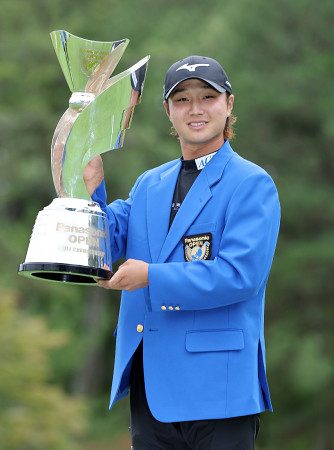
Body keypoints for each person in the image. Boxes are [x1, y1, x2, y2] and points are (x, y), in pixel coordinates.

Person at [84, 55, 281, 450]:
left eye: (208, 96)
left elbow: (238, 276)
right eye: (181, 99)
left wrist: (150, 278)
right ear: (167, 112)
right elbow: (102, 246)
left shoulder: (252, 183)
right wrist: (88, 186)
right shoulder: (148, 184)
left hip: (218, 392)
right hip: (150, 389)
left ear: (228, 105)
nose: (195, 109)